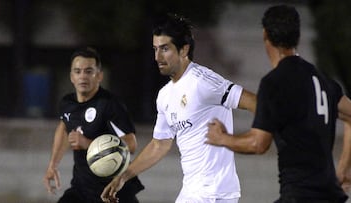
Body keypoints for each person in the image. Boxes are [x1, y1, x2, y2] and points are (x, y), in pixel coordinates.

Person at [101, 13, 256, 203]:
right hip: (192, 191)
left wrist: (265, 135)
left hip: (214, 193)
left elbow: (254, 103)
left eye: (164, 49)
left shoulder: (203, 82)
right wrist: (123, 176)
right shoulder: (165, 95)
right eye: (155, 49)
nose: (157, 56)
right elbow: (160, 144)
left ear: (184, 50)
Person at [205, 4, 351, 203]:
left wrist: (222, 138)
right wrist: (341, 170)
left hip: (299, 196)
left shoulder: (274, 82)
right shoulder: (322, 80)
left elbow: (258, 143)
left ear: (265, 35)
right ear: (297, 37)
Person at [43, 47, 144, 203]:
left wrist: (88, 144)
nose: (83, 76)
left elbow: (131, 144)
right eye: (77, 71)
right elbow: (64, 128)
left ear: (99, 76)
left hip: (114, 189)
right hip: (81, 189)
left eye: (89, 71)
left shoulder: (110, 104)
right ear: (71, 76)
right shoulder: (67, 103)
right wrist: (53, 165)